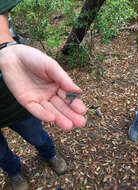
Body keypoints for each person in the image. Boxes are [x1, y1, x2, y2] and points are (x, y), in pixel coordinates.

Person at [0, 1, 87, 190]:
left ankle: (49, 154)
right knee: (0, 154)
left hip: (14, 101)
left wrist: (5, 47)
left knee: (37, 135)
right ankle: (14, 173)